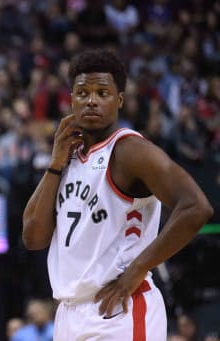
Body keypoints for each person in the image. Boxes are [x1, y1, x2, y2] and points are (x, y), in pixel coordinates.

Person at [22, 49, 213, 340]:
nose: (92, 100)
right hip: (68, 312)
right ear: (71, 99)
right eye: (82, 92)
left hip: (119, 308)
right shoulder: (68, 157)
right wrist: (55, 163)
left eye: (103, 92)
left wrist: (138, 270)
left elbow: (196, 207)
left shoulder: (130, 151)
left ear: (119, 99)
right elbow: (33, 237)